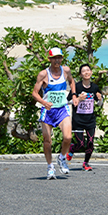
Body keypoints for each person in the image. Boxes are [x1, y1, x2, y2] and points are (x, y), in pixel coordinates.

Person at [32, 47, 78, 180]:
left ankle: (62, 158)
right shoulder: (43, 74)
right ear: (49, 59)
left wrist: (73, 95)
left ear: (62, 58)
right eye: (54, 58)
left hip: (62, 109)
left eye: (59, 58)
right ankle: (50, 166)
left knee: (68, 137)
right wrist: (43, 102)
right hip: (48, 111)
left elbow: (72, 81)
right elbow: (35, 93)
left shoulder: (66, 70)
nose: (57, 60)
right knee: (47, 141)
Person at [66, 64, 103, 171]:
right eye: (84, 71)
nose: (86, 72)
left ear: (91, 72)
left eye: (88, 70)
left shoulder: (95, 87)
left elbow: (99, 104)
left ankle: (86, 163)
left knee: (91, 142)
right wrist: (78, 98)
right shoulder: (76, 87)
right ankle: (72, 148)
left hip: (90, 120)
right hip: (78, 120)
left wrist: (100, 99)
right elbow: (68, 101)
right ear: (81, 74)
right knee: (80, 143)